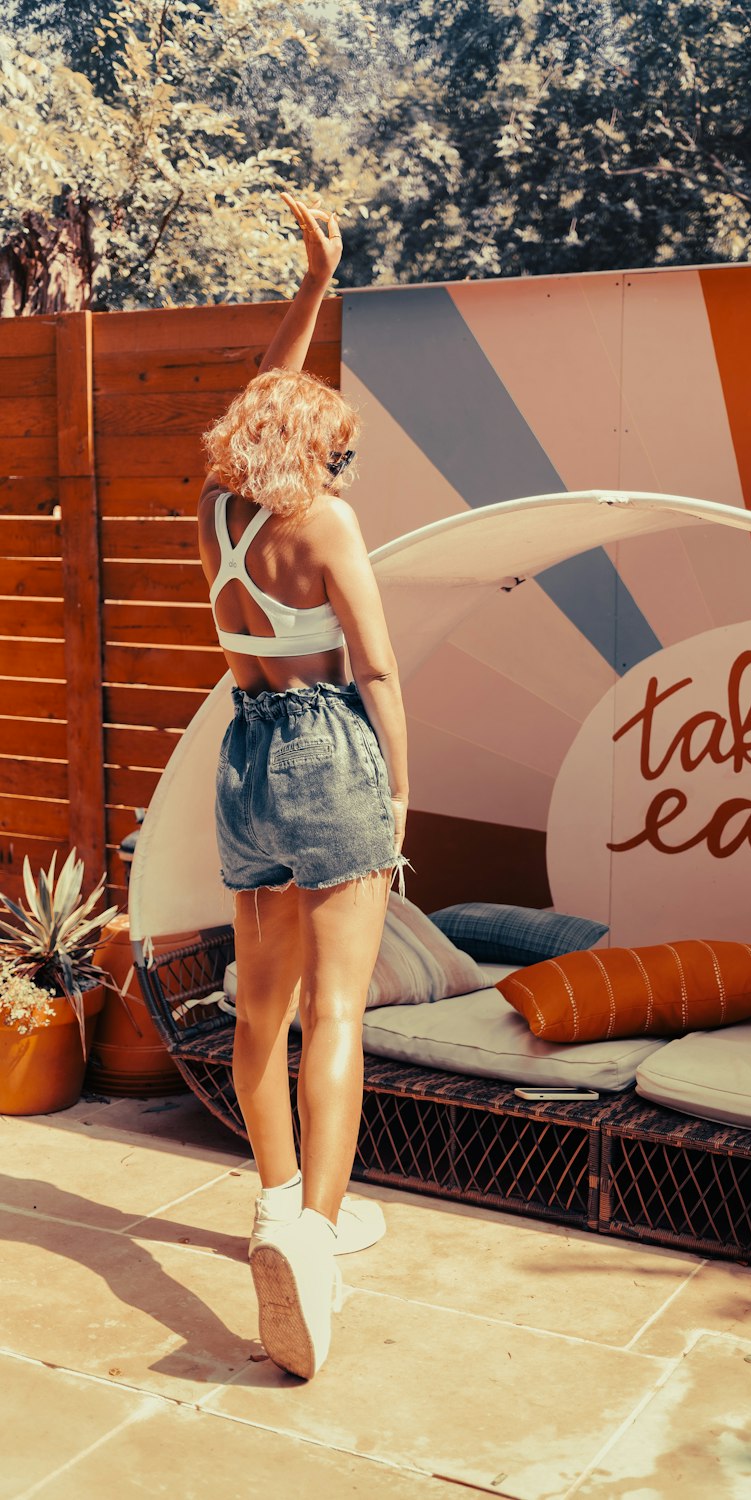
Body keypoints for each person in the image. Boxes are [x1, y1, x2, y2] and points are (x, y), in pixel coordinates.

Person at [197, 194, 410, 1381]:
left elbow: (260, 400)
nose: (342, 455)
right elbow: (374, 666)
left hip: (243, 756)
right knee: (337, 1017)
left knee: (258, 1011)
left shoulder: (216, 515)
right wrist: (398, 798)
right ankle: (315, 1252)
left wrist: (315, 280)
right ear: (315, 448)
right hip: (330, 749)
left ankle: (281, 1207)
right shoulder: (323, 524)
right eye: (336, 441)